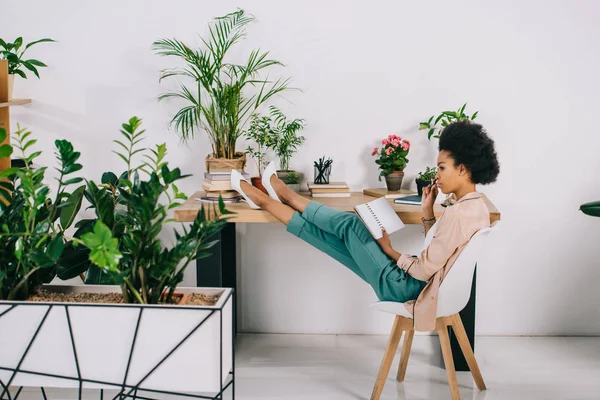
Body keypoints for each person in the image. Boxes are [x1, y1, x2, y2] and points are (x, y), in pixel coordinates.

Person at [230, 120, 500, 331]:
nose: (436, 175)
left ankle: (286, 195)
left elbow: (424, 269)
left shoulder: (457, 214)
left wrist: (389, 249)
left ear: (463, 169)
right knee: (334, 241)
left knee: (351, 226)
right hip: (420, 285)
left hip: (408, 288)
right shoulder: (477, 207)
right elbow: (438, 254)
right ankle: (264, 199)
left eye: (442, 168)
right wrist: (428, 212)